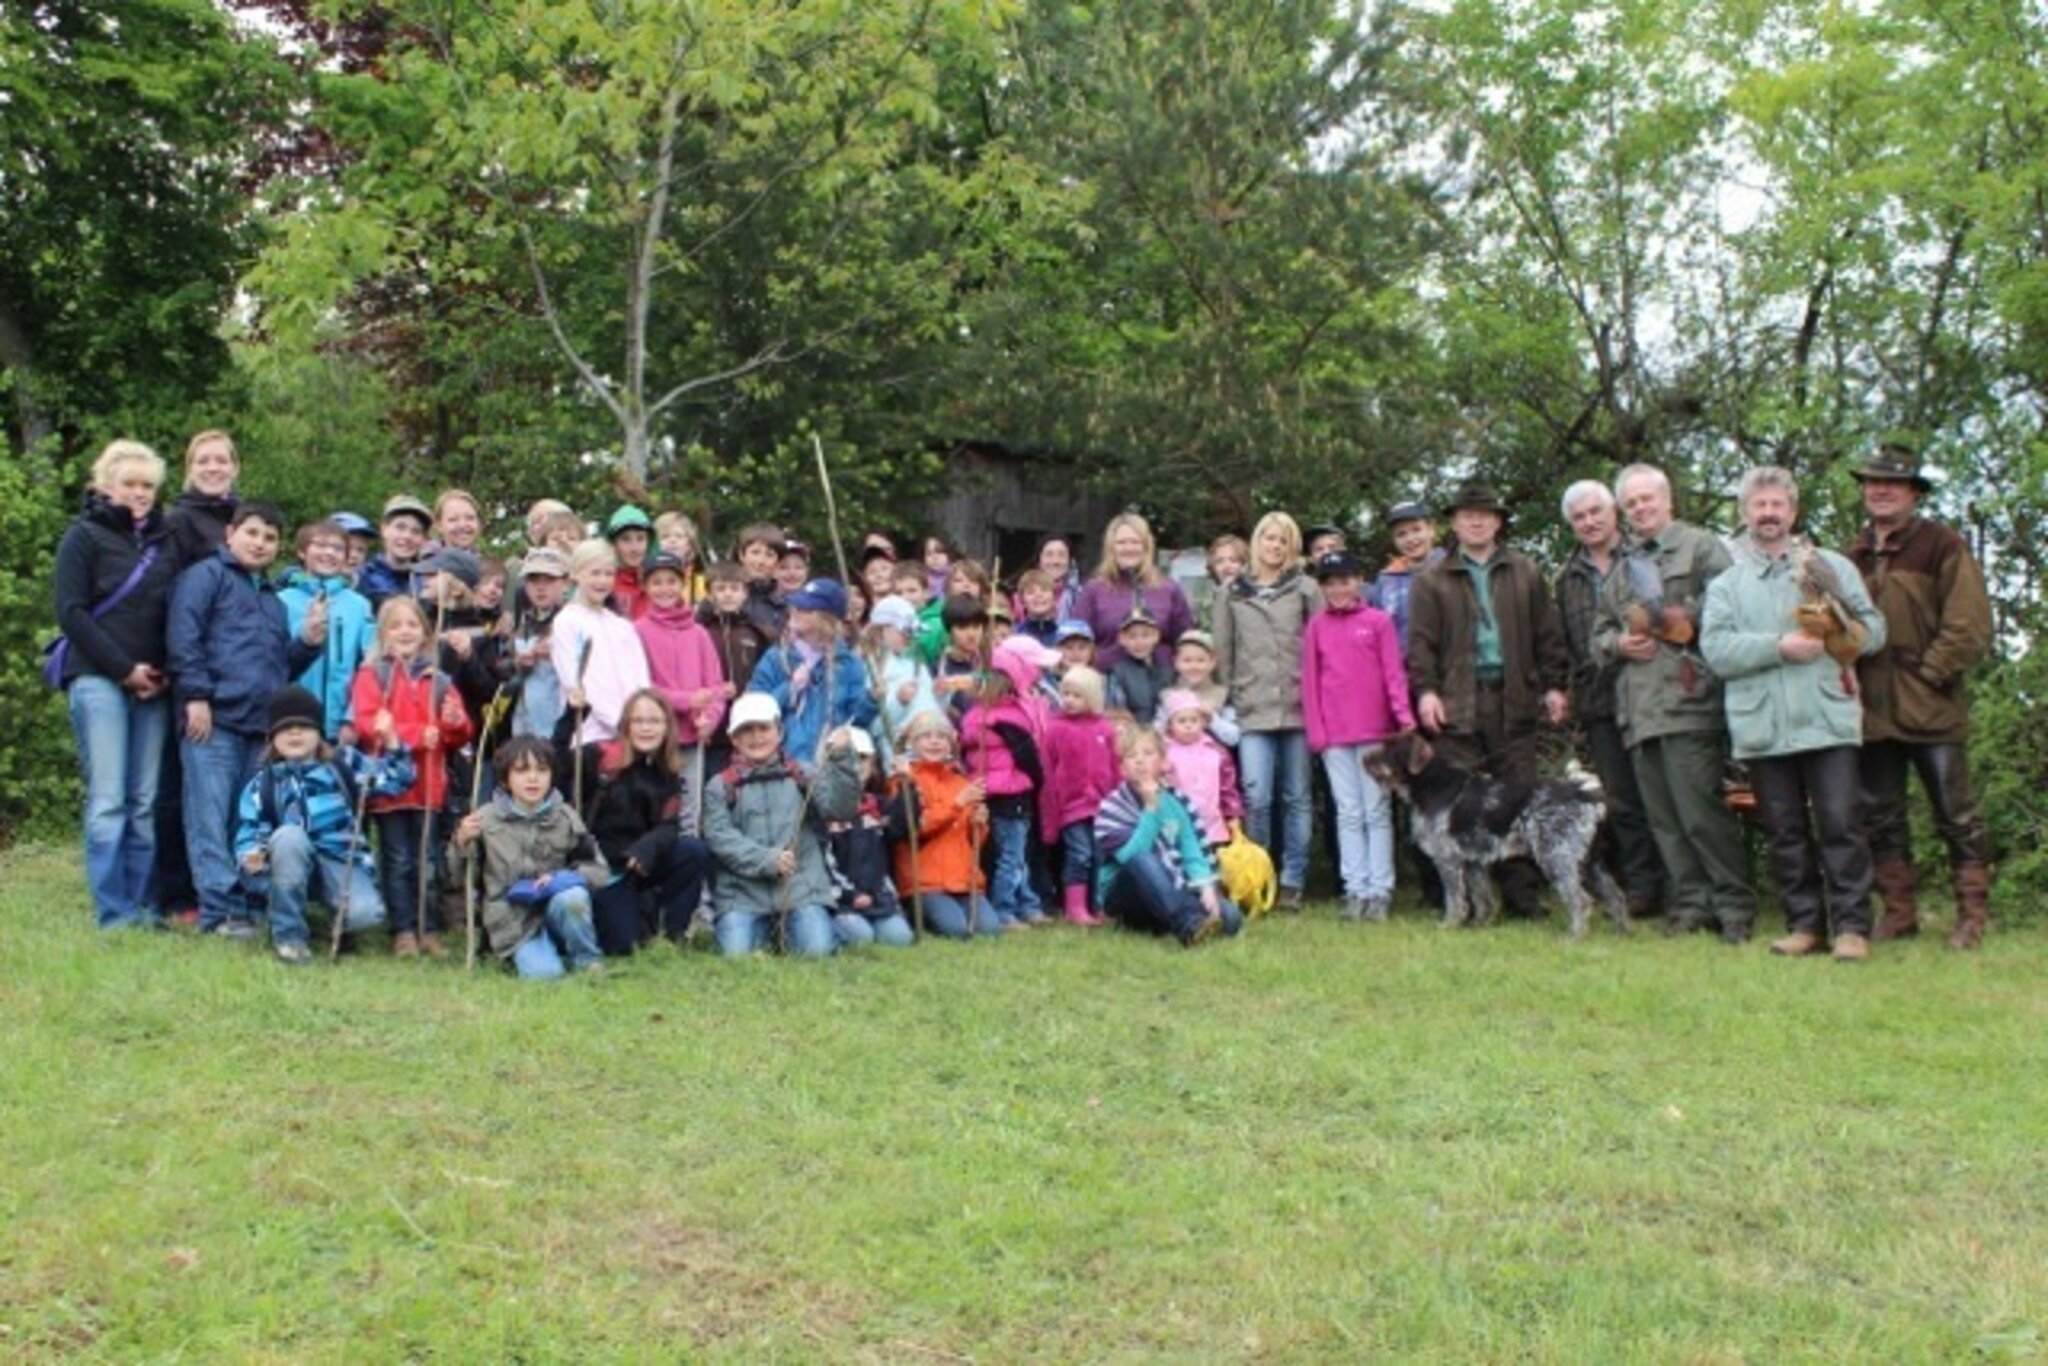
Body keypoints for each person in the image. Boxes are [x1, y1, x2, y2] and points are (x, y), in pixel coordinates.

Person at [1701, 466, 1887, 962]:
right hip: (1764, 726)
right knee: (1784, 832)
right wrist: (1778, 646)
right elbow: (1716, 651)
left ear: (1793, 511)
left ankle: (1851, 927)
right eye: (1759, 505)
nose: (1768, 513)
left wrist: (1838, 624)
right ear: (1744, 515)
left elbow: (1875, 631)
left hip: (1828, 718)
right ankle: (1804, 925)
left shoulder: (1830, 567)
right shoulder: (1726, 586)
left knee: (1841, 823)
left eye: (1777, 504)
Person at [1591, 464, 1753, 939]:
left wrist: (1668, 620)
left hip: (1689, 703)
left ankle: (1734, 907)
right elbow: (1598, 634)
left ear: (1668, 500)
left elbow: (1731, 606)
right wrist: (1618, 644)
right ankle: (1690, 906)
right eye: (1632, 503)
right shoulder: (1622, 568)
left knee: (1701, 814)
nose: (1641, 508)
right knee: (1665, 822)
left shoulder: (1702, 547)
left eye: (1648, 499)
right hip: (1639, 712)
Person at [1845, 442, 1995, 948]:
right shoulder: (1852, 555)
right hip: (1872, 711)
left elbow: (1969, 624)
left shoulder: (1942, 545)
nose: (1880, 490)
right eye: (1872, 482)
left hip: (1931, 707)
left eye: (1892, 483)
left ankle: (1972, 917)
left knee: (1956, 815)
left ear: (1913, 493)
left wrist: (1931, 673)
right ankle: (1899, 913)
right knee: (1881, 817)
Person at [1407, 480, 1570, 918]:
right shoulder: (1430, 579)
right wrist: (1425, 693)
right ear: (1454, 524)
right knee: (1460, 804)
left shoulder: (1526, 571)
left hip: (1514, 698)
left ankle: (1523, 895)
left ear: (1498, 521)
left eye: (1484, 514)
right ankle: (1464, 897)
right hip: (1457, 703)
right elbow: (1419, 644)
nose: (1475, 520)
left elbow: (1548, 634)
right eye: (1466, 514)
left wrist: (1554, 685)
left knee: (1517, 797)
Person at [169, 501, 326, 938]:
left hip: (259, 728)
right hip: (213, 720)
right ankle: (218, 911)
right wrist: (196, 696)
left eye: (270, 538)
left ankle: (247, 906)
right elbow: (184, 637)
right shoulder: (204, 577)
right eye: (252, 533)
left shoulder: (271, 600)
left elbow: (279, 666)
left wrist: (308, 642)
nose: (260, 543)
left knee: (248, 823)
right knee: (209, 817)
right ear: (230, 534)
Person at [52, 439, 180, 929]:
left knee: (144, 800)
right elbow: (72, 613)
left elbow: (176, 609)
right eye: (129, 483)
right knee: (109, 800)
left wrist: (159, 669)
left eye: (148, 485)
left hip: (154, 683)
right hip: (99, 678)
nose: (140, 493)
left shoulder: (165, 541)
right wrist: (124, 669)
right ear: (106, 486)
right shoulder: (82, 537)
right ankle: (114, 912)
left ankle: (146, 906)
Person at [233, 685, 413, 964]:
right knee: (289, 838)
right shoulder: (263, 784)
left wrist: (391, 741)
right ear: (272, 739)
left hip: (341, 859)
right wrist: (251, 855)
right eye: (286, 728)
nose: (295, 733)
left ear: (319, 734)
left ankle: (337, 924)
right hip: (288, 863)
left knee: (367, 913)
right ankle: (289, 937)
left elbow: (399, 777)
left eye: (304, 727)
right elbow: (249, 830)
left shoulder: (344, 765)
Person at [1554, 479, 1665, 920]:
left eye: (1595, 511)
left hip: (1655, 692)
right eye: (1579, 517)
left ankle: (1683, 884)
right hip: (1600, 700)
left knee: (1664, 793)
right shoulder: (1566, 579)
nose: (1589, 521)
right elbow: (1565, 644)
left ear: (1614, 512)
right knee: (1622, 801)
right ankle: (1642, 888)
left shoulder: (1647, 557)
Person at [351, 594, 473, 958]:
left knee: (428, 860)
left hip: (430, 786)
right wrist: (416, 735)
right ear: (383, 634)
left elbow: (460, 733)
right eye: (396, 625)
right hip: (388, 788)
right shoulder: (371, 675)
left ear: (424, 632)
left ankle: (428, 928)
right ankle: (402, 929)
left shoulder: (439, 680)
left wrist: (455, 723)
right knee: (397, 859)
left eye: (412, 624)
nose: (405, 631)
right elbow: (366, 723)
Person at [1211, 511, 1320, 909]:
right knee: (1256, 795)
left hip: (1297, 707)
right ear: (1256, 542)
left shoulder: (1306, 589)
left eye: (1282, 540)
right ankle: (1258, 873)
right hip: (1252, 706)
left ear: (1292, 547)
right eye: (1268, 538)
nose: (1274, 546)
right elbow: (1222, 652)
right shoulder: (1231, 592)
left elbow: (1319, 645)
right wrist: (1224, 701)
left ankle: (1293, 879)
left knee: (1297, 796)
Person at [1300, 549, 1413, 922]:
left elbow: (1393, 672)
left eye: (1344, 581)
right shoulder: (1317, 625)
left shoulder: (1378, 621)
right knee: (1348, 812)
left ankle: (1380, 889)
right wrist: (1317, 731)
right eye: (1330, 583)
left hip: (1375, 730)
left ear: (1358, 581)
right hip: (1335, 733)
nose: (1338, 589)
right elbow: (1311, 682)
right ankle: (1355, 888)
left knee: (1376, 811)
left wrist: (1402, 717)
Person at [702, 693, 862, 957]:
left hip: (801, 890)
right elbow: (719, 836)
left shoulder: (804, 774)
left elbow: (841, 809)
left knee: (817, 953)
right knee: (736, 957)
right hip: (742, 894)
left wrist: (842, 760)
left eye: (764, 728)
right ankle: (779, 932)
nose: (756, 737)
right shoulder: (719, 785)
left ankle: (811, 927)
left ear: (779, 731)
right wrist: (767, 859)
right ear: (734, 739)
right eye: (746, 730)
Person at [561, 688, 713, 954]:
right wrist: (570, 716)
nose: (646, 728)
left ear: (667, 727)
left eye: (654, 721)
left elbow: (669, 825)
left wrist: (648, 846)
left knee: (694, 851)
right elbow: (555, 764)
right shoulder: (598, 756)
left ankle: (671, 936)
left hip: (641, 864)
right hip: (603, 870)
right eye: (638, 721)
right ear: (626, 725)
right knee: (624, 947)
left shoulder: (667, 771)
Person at [452, 735, 609, 978]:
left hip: (557, 909)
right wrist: (461, 841)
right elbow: (458, 877)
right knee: (545, 975)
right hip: (513, 922)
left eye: (542, 770)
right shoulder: (484, 820)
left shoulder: (566, 817)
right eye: (522, 771)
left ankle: (587, 960)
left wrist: (561, 878)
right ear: (505, 779)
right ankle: (535, 955)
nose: (533, 778)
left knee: (573, 897)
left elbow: (598, 870)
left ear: (551, 777)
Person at [1093, 727, 1241, 946]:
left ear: (1163, 763)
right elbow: (1131, 857)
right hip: (1128, 895)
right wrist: (1151, 808)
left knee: (1230, 917)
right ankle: (1188, 926)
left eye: (1148, 754)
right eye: (1132, 756)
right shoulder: (1112, 807)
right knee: (1143, 859)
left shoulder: (1176, 802)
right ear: (1123, 768)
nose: (1140, 761)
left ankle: (1179, 918)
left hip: (1173, 886)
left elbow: (1192, 851)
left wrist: (1206, 888)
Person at [960, 636, 1057, 928]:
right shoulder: (1010, 718)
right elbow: (1028, 756)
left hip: (990, 790)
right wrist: (1037, 780)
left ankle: (1027, 903)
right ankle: (1005, 908)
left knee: (1014, 853)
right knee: (1012, 855)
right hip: (1012, 792)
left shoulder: (973, 716)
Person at [891, 709, 1002, 938]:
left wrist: (979, 824)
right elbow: (917, 828)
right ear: (913, 742)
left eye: (941, 737)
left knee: (990, 930)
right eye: (926, 736)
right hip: (924, 881)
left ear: (951, 744)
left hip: (962, 878)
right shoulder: (904, 780)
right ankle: (913, 912)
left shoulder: (961, 781)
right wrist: (958, 804)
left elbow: (974, 842)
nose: (934, 742)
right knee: (956, 931)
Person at [748, 577, 877, 769]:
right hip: (781, 767)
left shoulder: (848, 663)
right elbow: (753, 710)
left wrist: (871, 701)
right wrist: (790, 688)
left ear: (826, 618)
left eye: (806, 609)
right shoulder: (776, 657)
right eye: (796, 605)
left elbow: (856, 722)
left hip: (831, 767)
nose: (796, 612)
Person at [277, 519, 377, 743]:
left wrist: (352, 717)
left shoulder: (359, 605)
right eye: (320, 545)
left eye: (338, 548)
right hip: (292, 723)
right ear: (302, 552)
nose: (329, 552)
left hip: (339, 726)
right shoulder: (281, 601)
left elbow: (371, 665)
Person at [634, 551, 728, 775]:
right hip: (653, 737)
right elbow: (640, 684)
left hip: (693, 737)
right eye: (656, 582)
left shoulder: (699, 633)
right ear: (645, 587)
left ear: (682, 584)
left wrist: (710, 720)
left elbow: (715, 685)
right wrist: (686, 700)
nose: (665, 589)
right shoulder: (637, 631)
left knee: (690, 806)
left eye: (671, 581)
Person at [551, 539, 652, 747]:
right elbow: (576, 683)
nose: (602, 581)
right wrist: (618, 722)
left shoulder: (622, 625)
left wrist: (640, 720)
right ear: (576, 574)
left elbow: (641, 678)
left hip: (632, 735)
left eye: (608, 574)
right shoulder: (566, 622)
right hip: (589, 735)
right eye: (595, 573)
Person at [1038, 665, 1118, 925]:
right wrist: (1052, 814)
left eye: (1077, 695)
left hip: (1103, 806)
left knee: (1100, 856)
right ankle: (1074, 907)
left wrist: (1117, 802)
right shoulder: (1056, 729)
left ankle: (1099, 905)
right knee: (1079, 855)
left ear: (1093, 697)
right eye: (1066, 694)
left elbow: (1115, 767)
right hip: (1072, 806)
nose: (1069, 700)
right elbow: (1048, 772)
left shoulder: (1105, 729)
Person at [825, 728, 916, 948]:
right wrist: (849, 895)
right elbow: (822, 862)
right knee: (861, 938)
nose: (854, 763)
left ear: (873, 763)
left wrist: (907, 787)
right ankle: (831, 926)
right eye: (847, 755)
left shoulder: (878, 804)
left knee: (900, 939)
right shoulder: (824, 809)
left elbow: (901, 826)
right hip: (841, 900)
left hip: (878, 897)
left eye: (862, 757)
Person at [1075, 512, 1193, 671]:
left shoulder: (1168, 589)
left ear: (1146, 546)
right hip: (1109, 682)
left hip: (1161, 682)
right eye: (1121, 542)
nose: (1129, 548)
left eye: (1135, 542)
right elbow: (1077, 643)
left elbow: (1185, 641)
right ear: (1111, 547)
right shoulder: (1093, 590)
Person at [1157, 689, 1245, 851]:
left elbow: (1227, 787)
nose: (1188, 725)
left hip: (1212, 824)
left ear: (1203, 722)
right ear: (1170, 725)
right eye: (1182, 721)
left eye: (1194, 720)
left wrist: (1233, 814)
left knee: (1214, 864)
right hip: (1177, 824)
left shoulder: (1216, 751)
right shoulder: (1163, 753)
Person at [861, 594, 941, 767]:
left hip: (936, 751)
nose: (910, 636)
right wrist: (899, 701)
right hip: (903, 757)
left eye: (912, 632)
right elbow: (874, 729)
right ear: (882, 629)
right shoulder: (871, 669)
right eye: (904, 631)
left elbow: (932, 708)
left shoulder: (916, 666)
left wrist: (942, 694)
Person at [508, 547, 572, 741]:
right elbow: (502, 673)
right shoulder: (520, 624)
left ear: (565, 582)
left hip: (564, 730)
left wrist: (559, 655)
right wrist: (518, 664)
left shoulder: (574, 620)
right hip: (524, 729)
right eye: (534, 580)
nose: (540, 587)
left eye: (549, 580)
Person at [1365, 500, 1442, 653]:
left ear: (1431, 529)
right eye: (1401, 534)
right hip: (1401, 669)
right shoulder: (1386, 580)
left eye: (1416, 530)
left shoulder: (1452, 570)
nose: (1410, 539)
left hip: (1447, 667)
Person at [163, 429, 241, 572]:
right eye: (203, 461)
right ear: (190, 470)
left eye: (222, 461)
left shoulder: (245, 517)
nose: (212, 468)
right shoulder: (176, 521)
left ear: (234, 468)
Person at [357, 494, 434, 612]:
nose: (407, 536)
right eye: (400, 527)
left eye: (416, 531)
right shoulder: (362, 577)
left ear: (424, 539)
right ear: (384, 529)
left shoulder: (427, 582)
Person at [1104, 603, 1175, 724]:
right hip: (1133, 736)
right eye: (1132, 636)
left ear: (1156, 636)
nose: (1139, 642)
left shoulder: (1167, 672)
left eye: (1145, 635)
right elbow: (1116, 712)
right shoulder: (1117, 673)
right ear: (1122, 639)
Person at [433, 489, 485, 553]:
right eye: (453, 519)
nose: (462, 525)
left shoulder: (479, 561)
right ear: (439, 525)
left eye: (470, 518)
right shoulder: (427, 561)